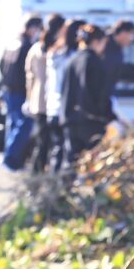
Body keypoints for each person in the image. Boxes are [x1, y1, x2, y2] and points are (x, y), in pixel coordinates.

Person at [61, 24, 112, 165]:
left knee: (72, 160)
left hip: (70, 118)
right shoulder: (94, 61)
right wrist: (107, 115)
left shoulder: (72, 60)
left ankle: (66, 186)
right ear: (96, 42)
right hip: (91, 120)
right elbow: (97, 92)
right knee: (92, 162)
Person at [0, 15, 43, 171]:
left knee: (13, 124)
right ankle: (11, 159)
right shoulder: (26, 46)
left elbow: (1, 64)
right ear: (32, 28)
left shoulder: (13, 43)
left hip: (8, 90)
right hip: (19, 92)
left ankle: (9, 157)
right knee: (24, 125)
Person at [24, 14, 66, 173]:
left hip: (37, 98)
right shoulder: (58, 50)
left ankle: (36, 172)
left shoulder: (36, 48)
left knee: (41, 141)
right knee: (48, 143)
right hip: (50, 101)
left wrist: (28, 98)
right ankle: (39, 173)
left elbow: (29, 75)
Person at [46, 18, 84, 172]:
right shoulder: (76, 58)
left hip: (52, 107)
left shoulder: (55, 54)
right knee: (68, 153)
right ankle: (61, 187)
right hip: (67, 110)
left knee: (56, 150)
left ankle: (52, 184)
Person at [102, 19, 134, 118]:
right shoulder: (105, 45)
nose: (132, 38)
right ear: (123, 33)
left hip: (109, 93)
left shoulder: (117, 48)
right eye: (131, 34)